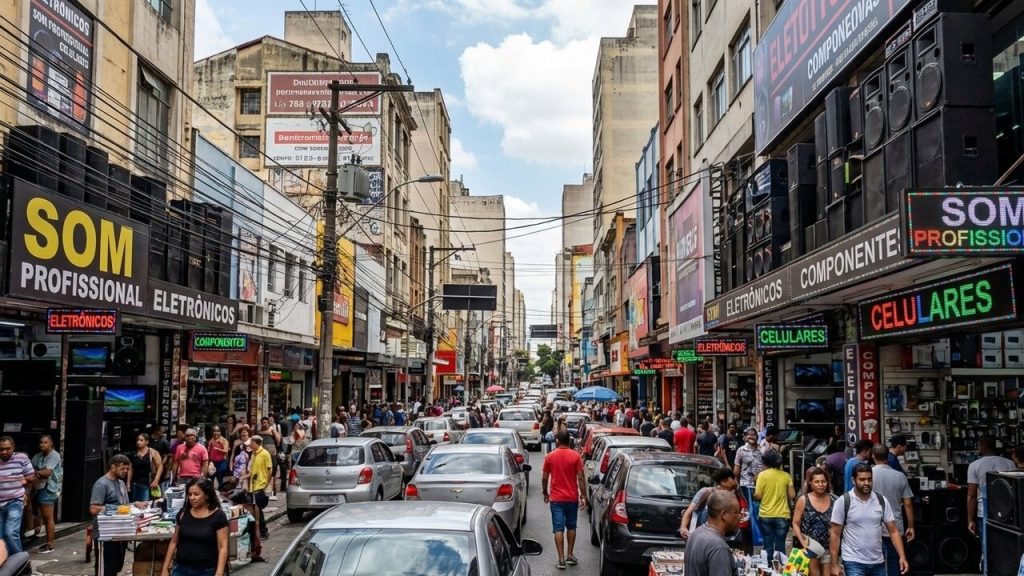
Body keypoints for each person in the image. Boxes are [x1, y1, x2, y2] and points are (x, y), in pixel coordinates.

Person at [829, 463, 908, 576]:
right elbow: (835, 534)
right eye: (862, 479)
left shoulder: (881, 500)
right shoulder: (843, 501)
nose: (866, 483)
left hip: (877, 561)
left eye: (869, 479)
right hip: (853, 561)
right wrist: (835, 564)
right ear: (853, 480)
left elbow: (893, 531)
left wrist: (902, 556)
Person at [159, 479, 229, 576]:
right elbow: (174, 541)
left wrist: (219, 572)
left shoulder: (218, 516)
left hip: (206, 570)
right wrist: (165, 568)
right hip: (181, 569)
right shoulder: (183, 514)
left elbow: (222, 547)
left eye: (196, 494)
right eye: (190, 494)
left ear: (207, 495)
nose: (192, 498)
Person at [541, 431, 586, 570]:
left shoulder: (550, 456)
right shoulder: (576, 456)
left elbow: (544, 477)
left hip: (556, 499)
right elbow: (581, 478)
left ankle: (560, 559)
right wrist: (583, 495)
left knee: (558, 528)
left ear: (558, 441)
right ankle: (570, 555)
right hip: (572, 498)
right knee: (571, 527)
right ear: (569, 441)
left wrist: (545, 492)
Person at [90, 454, 141, 576]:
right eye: (122, 469)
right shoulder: (101, 484)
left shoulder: (121, 483)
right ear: (113, 467)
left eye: (127, 469)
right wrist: (116, 508)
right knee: (105, 569)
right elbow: (93, 509)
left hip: (120, 533)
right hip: (105, 535)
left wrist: (135, 505)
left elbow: (125, 505)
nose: (125, 472)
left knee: (116, 567)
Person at [870, 445, 914, 576]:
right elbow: (908, 504)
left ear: (873, 456)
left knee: (873, 564)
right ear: (888, 457)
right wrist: (911, 526)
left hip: (873, 527)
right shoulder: (900, 476)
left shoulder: (867, 476)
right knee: (895, 563)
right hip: (895, 526)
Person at [684, 491, 743, 576]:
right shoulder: (719, 547)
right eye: (737, 512)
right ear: (724, 514)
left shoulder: (696, 533)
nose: (740, 516)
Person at [967, 435, 1015, 536]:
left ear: (983, 446)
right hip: (1007, 512)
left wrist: (970, 520)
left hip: (985, 512)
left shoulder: (974, 465)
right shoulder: (1009, 463)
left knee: (986, 544)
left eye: (979, 445)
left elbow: (971, 495)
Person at [792, 467, 836, 576]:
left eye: (823, 481)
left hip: (828, 547)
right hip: (810, 547)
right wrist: (803, 543)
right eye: (817, 482)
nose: (820, 484)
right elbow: (795, 523)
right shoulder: (803, 500)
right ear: (810, 483)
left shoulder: (834, 500)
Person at [754, 450, 795, 566]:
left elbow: (758, 495)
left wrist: (755, 496)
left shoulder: (762, 475)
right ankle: (780, 568)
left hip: (766, 514)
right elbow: (792, 495)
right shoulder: (786, 476)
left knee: (767, 541)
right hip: (782, 515)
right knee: (780, 543)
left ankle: (769, 567)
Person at [679, 468, 739, 539]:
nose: (736, 481)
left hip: (722, 537)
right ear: (724, 481)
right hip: (701, 536)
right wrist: (683, 527)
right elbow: (689, 511)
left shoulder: (733, 496)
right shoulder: (706, 492)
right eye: (733, 478)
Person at [0, 437, 34, 554]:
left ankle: (21, 562)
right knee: (1, 536)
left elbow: (30, 479)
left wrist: (26, 495)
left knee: (10, 533)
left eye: (7, 449)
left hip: (15, 501)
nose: (4, 452)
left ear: (13, 447)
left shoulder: (21, 458)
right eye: (1, 449)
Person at [29, 435, 60, 553]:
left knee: (48, 517)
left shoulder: (54, 455)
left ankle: (49, 544)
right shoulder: (37, 456)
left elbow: (47, 473)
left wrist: (35, 473)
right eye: (41, 442)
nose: (42, 445)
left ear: (51, 443)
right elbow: (29, 469)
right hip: (38, 487)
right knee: (38, 512)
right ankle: (36, 531)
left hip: (49, 488)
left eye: (45, 442)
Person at [734, 427, 764, 547]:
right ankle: (748, 538)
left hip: (759, 486)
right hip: (745, 485)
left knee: (757, 512)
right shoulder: (741, 450)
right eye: (749, 435)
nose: (751, 437)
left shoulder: (761, 451)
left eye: (754, 435)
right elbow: (737, 468)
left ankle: (757, 538)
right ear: (745, 437)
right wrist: (736, 484)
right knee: (747, 513)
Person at [248, 436, 272, 540]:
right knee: (256, 510)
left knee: (258, 510)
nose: (250, 445)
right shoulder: (253, 454)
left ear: (257, 443)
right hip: (253, 485)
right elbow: (252, 471)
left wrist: (266, 483)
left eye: (252, 443)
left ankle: (263, 532)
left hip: (261, 485)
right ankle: (261, 531)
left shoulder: (265, 454)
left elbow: (269, 470)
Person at [127, 434, 163, 502]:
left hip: (148, 482)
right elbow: (130, 469)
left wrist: (156, 480)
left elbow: (160, 466)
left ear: (147, 442)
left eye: (141, 440)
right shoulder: (134, 453)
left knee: (147, 504)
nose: (138, 442)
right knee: (136, 504)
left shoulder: (152, 452)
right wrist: (128, 484)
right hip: (136, 483)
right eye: (137, 440)